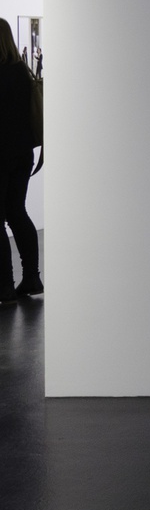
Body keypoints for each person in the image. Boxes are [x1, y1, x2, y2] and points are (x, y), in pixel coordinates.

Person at [0, 21, 40, 303]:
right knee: (17, 212)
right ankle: (32, 277)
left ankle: (4, 286)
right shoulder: (22, 72)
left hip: (1, 155)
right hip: (23, 154)